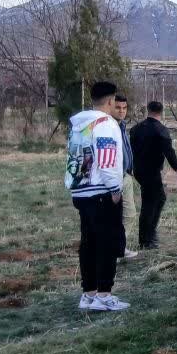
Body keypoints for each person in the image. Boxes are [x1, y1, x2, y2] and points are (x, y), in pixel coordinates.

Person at [64, 81, 130, 312]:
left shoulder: (79, 124)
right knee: (107, 243)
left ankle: (89, 293)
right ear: (111, 101)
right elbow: (107, 159)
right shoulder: (106, 124)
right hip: (102, 191)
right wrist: (115, 189)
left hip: (80, 189)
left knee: (88, 243)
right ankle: (104, 293)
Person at [130, 101, 177, 249]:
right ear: (161, 112)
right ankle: (146, 240)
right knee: (150, 203)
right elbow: (169, 152)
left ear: (148, 110)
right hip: (151, 172)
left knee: (159, 198)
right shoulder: (161, 130)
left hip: (138, 170)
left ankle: (149, 234)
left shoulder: (135, 129)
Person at [114, 95, 140, 259]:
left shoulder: (122, 126)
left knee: (128, 214)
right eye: (118, 108)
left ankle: (118, 247)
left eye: (124, 108)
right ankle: (116, 248)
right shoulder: (109, 126)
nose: (122, 111)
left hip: (125, 175)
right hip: (115, 178)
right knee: (126, 214)